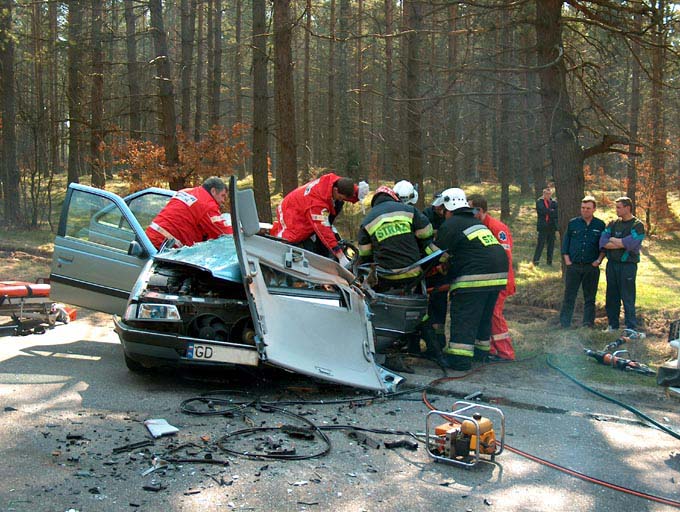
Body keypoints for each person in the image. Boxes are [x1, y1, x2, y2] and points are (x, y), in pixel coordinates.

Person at [435, 188, 508, 370]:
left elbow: (436, 254)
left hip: (475, 276)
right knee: (483, 317)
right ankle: (481, 353)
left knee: (464, 316)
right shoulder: (474, 223)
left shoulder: (451, 225)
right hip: (498, 275)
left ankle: (460, 360)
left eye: (443, 211)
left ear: (449, 209)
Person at [271, 173, 369, 267]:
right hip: (290, 212)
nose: (340, 199)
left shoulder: (332, 180)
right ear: (335, 190)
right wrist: (340, 255)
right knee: (293, 237)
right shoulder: (316, 205)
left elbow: (345, 186)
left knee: (336, 207)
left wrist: (357, 192)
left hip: (302, 205)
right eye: (339, 197)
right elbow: (323, 229)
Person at [357, 185, 438, 292]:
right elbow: (427, 234)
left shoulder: (367, 220)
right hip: (413, 272)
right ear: (394, 197)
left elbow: (365, 254)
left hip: (386, 277)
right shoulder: (409, 210)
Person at [467, 194, 516, 360]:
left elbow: (506, 257)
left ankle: (506, 352)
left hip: (501, 279)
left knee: (494, 314)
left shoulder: (497, 228)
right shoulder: (479, 226)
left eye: (471, 210)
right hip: (490, 279)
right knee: (487, 313)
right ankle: (492, 349)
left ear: (480, 210)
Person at [146, 176, 233, 250]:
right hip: (164, 245)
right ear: (213, 191)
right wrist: (241, 232)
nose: (223, 200)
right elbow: (224, 232)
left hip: (148, 237)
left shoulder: (185, 191)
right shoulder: (207, 205)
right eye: (222, 196)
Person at [599, 196, 645, 332]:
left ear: (627, 208)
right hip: (612, 264)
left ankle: (631, 328)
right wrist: (621, 243)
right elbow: (602, 242)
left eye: (619, 207)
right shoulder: (612, 223)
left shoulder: (637, 225)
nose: (616, 210)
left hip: (628, 265)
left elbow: (631, 244)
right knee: (612, 296)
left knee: (628, 296)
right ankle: (613, 325)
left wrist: (614, 240)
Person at [559, 196, 606, 329]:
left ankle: (588, 324)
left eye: (588, 208)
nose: (585, 210)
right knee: (569, 295)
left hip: (591, 267)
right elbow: (565, 243)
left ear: (594, 209)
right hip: (574, 266)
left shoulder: (600, 225)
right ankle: (564, 323)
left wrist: (598, 261)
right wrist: (567, 261)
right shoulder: (573, 223)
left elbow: (603, 246)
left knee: (590, 298)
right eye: (583, 208)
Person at [532, 187, 558, 266]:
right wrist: (551, 211)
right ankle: (536, 261)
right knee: (540, 244)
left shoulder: (553, 202)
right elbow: (542, 211)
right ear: (543, 194)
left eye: (549, 194)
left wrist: (549, 211)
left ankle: (549, 262)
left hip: (551, 226)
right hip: (543, 226)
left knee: (551, 245)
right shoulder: (539, 201)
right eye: (546, 194)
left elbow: (556, 213)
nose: (548, 195)